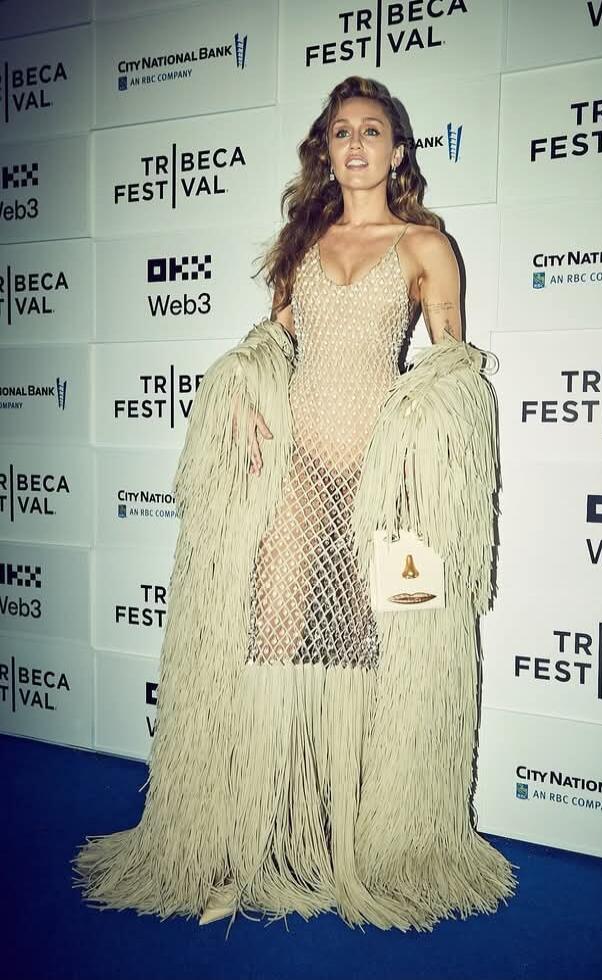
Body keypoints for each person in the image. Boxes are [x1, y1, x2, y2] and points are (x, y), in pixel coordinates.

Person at [71, 74, 518, 935]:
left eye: (374, 130)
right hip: (302, 472)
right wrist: (241, 384)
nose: (356, 144)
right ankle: (248, 845)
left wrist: (424, 440)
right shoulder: (304, 240)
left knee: (399, 651)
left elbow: (455, 359)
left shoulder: (427, 246)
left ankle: (368, 842)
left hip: (390, 485)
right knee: (271, 637)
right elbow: (273, 337)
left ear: (398, 150)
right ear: (326, 148)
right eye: (342, 130)